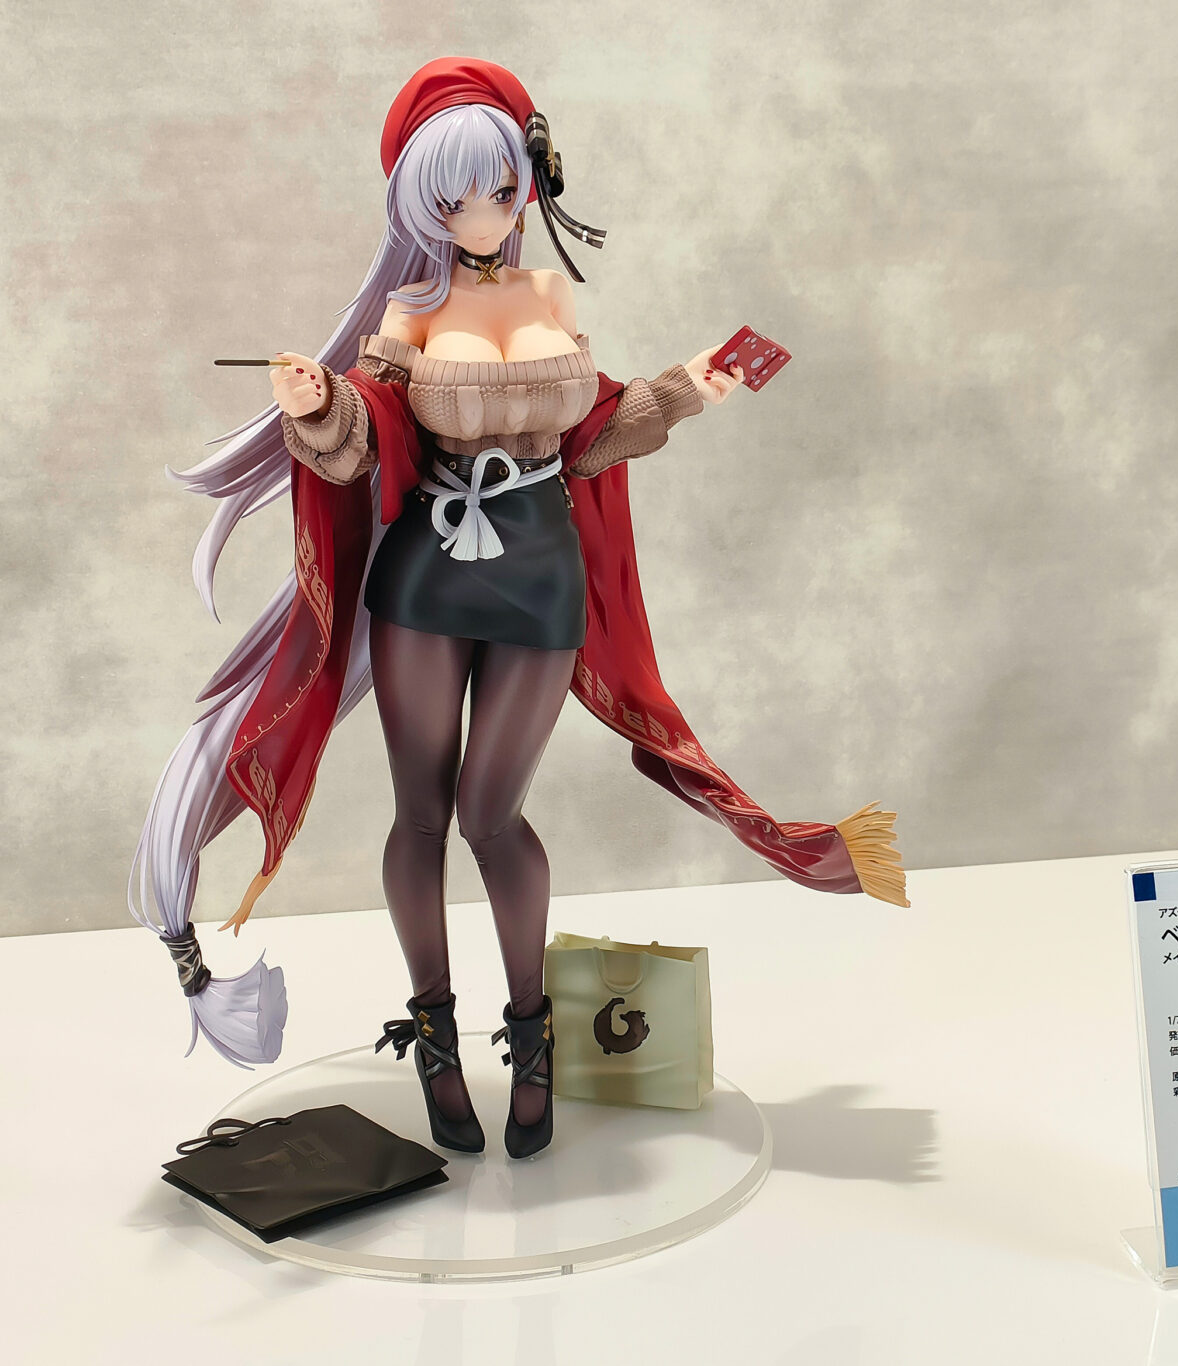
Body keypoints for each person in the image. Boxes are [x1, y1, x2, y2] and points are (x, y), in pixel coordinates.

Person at [130, 57, 906, 1161]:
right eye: (455, 197)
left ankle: (531, 1035)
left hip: (538, 572)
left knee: (492, 814)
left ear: (527, 177)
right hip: (426, 577)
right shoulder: (410, 309)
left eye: (498, 188)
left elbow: (588, 439)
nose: (484, 214)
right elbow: (366, 440)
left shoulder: (551, 296)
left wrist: (694, 385)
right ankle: (435, 1035)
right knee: (421, 815)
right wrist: (319, 403)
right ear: (422, 204)